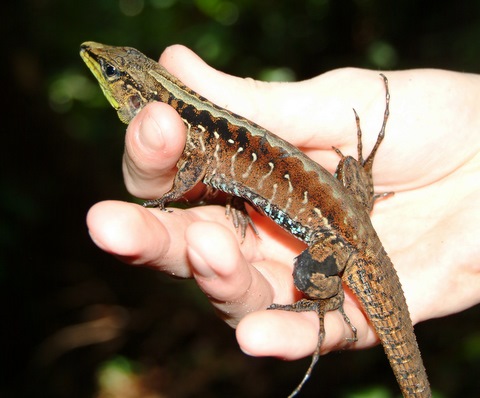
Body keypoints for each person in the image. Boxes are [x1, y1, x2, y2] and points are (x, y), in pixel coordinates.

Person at [86, 45, 480, 362]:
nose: (95, 59)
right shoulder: (194, 122)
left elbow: (200, 164)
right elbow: (210, 167)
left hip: (339, 239)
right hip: (344, 218)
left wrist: (169, 198)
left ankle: (329, 297)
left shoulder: (197, 125)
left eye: (111, 72)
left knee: (308, 276)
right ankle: (357, 202)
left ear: (139, 92)